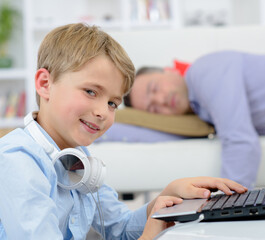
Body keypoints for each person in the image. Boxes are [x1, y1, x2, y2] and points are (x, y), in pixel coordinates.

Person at [0, 23, 247, 240]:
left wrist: (164, 201)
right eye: (91, 92)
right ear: (45, 84)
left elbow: (121, 229)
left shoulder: (79, 161)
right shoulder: (18, 161)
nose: (102, 112)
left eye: (112, 103)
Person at [124, 44, 265, 189]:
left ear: (168, 70)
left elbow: (241, 142)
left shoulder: (204, 72)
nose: (162, 100)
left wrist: (228, 211)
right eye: (154, 109)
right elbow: (155, 135)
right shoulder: (203, 116)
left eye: (154, 89)